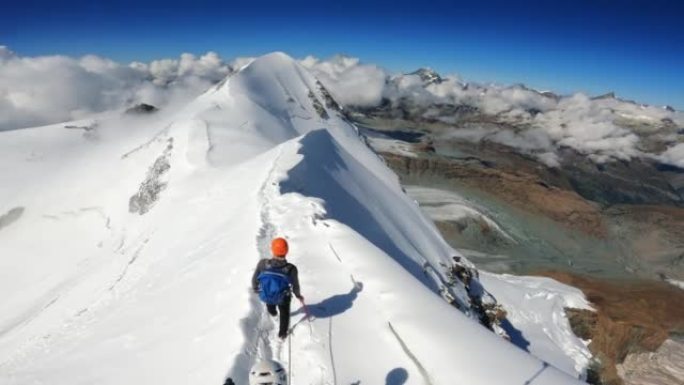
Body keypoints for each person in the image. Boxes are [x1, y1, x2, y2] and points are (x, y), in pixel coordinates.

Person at [252, 237, 303, 339]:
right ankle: (282, 333)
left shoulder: (263, 264)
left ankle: (273, 312)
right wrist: (298, 295)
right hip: (283, 298)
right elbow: (295, 286)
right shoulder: (291, 269)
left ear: (272, 250)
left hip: (267, 294)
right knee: (284, 313)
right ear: (286, 251)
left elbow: (255, 280)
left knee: (270, 301)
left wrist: (256, 289)